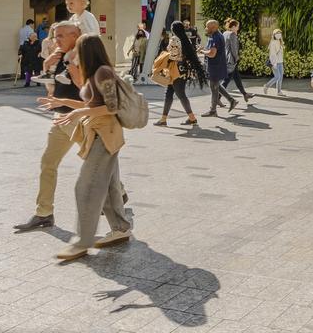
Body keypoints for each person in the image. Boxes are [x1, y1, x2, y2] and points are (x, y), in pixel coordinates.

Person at [41, 34, 132, 261]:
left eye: (77, 50)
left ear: (87, 51)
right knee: (110, 187)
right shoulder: (95, 73)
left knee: (87, 187)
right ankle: (120, 229)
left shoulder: (103, 72)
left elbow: (113, 107)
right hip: (99, 134)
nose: (73, 55)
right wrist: (63, 103)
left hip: (105, 135)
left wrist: (79, 112)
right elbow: (91, 104)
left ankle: (82, 242)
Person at [15, 22, 84, 230]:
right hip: (59, 118)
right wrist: (47, 67)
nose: (56, 40)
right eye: (55, 36)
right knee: (48, 163)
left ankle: (118, 193)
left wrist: (71, 68)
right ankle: (44, 213)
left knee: (97, 164)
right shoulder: (59, 55)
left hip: (78, 118)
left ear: (76, 35)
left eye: (61, 36)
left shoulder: (84, 55)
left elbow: (85, 88)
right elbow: (53, 88)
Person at [153, 21, 200, 127]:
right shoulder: (185, 38)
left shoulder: (174, 39)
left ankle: (192, 118)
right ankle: (163, 119)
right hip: (182, 70)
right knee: (169, 93)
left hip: (175, 70)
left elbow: (173, 56)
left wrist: (165, 56)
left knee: (180, 94)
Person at [199, 20, 237, 117]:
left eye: (208, 27)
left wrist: (203, 52)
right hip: (217, 66)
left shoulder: (215, 37)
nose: (206, 29)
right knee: (216, 86)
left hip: (215, 66)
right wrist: (204, 49)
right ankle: (231, 100)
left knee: (214, 87)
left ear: (214, 28)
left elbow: (212, 54)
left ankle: (213, 110)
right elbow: (211, 50)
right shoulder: (216, 35)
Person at [221, 19, 254, 103]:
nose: (238, 28)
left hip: (226, 58)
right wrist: (236, 58)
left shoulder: (225, 33)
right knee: (226, 80)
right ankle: (216, 99)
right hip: (232, 59)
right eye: (238, 26)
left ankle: (245, 94)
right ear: (234, 26)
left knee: (237, 77)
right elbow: (234, 49)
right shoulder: (232, 34)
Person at [265, 29, 286, 95]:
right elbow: (272, 54)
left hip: (280, 62)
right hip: (275, 62)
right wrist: (274, 64)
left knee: (280, 77)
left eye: (280, 33)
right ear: (274, 35)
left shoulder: (280, 42)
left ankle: (279, 91)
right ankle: (266, 86)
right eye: (277, 33)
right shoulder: (273, 42)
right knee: (277, 77)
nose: (279, 34)